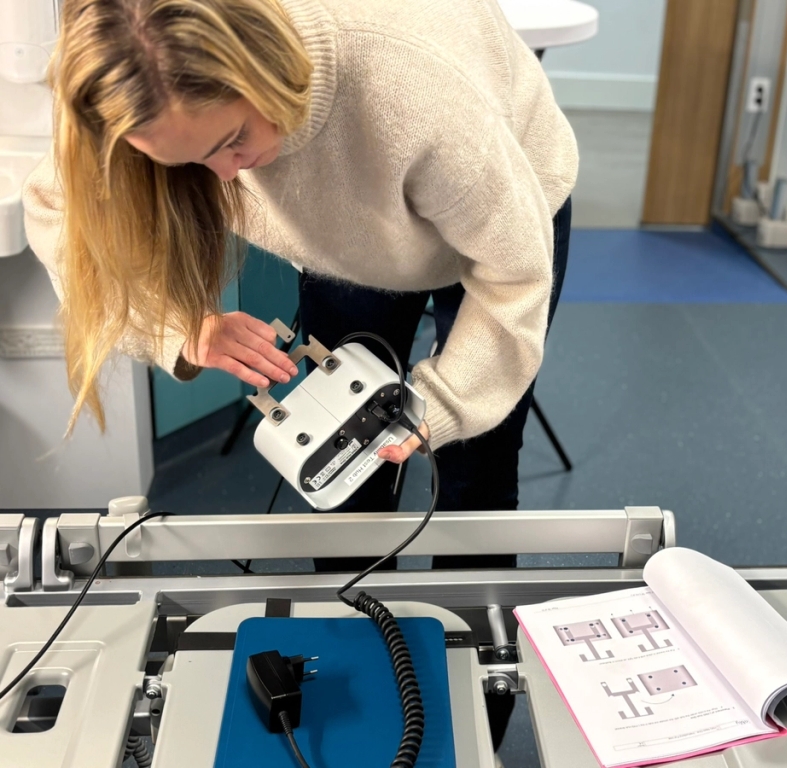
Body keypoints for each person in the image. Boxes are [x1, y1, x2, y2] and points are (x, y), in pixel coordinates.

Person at [23, 0, 577, 753]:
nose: (224, 176)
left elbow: (513, 279)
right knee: (347, 477)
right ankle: (367, 681)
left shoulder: (416, 87)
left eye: (231, 142)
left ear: (262, 69)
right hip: (354, 229)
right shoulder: (143, 97)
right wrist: (178, 326)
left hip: (503, 213)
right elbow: (56, 210)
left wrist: (443, 403)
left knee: (475, 464)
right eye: (185, 163)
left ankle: (477, 717)